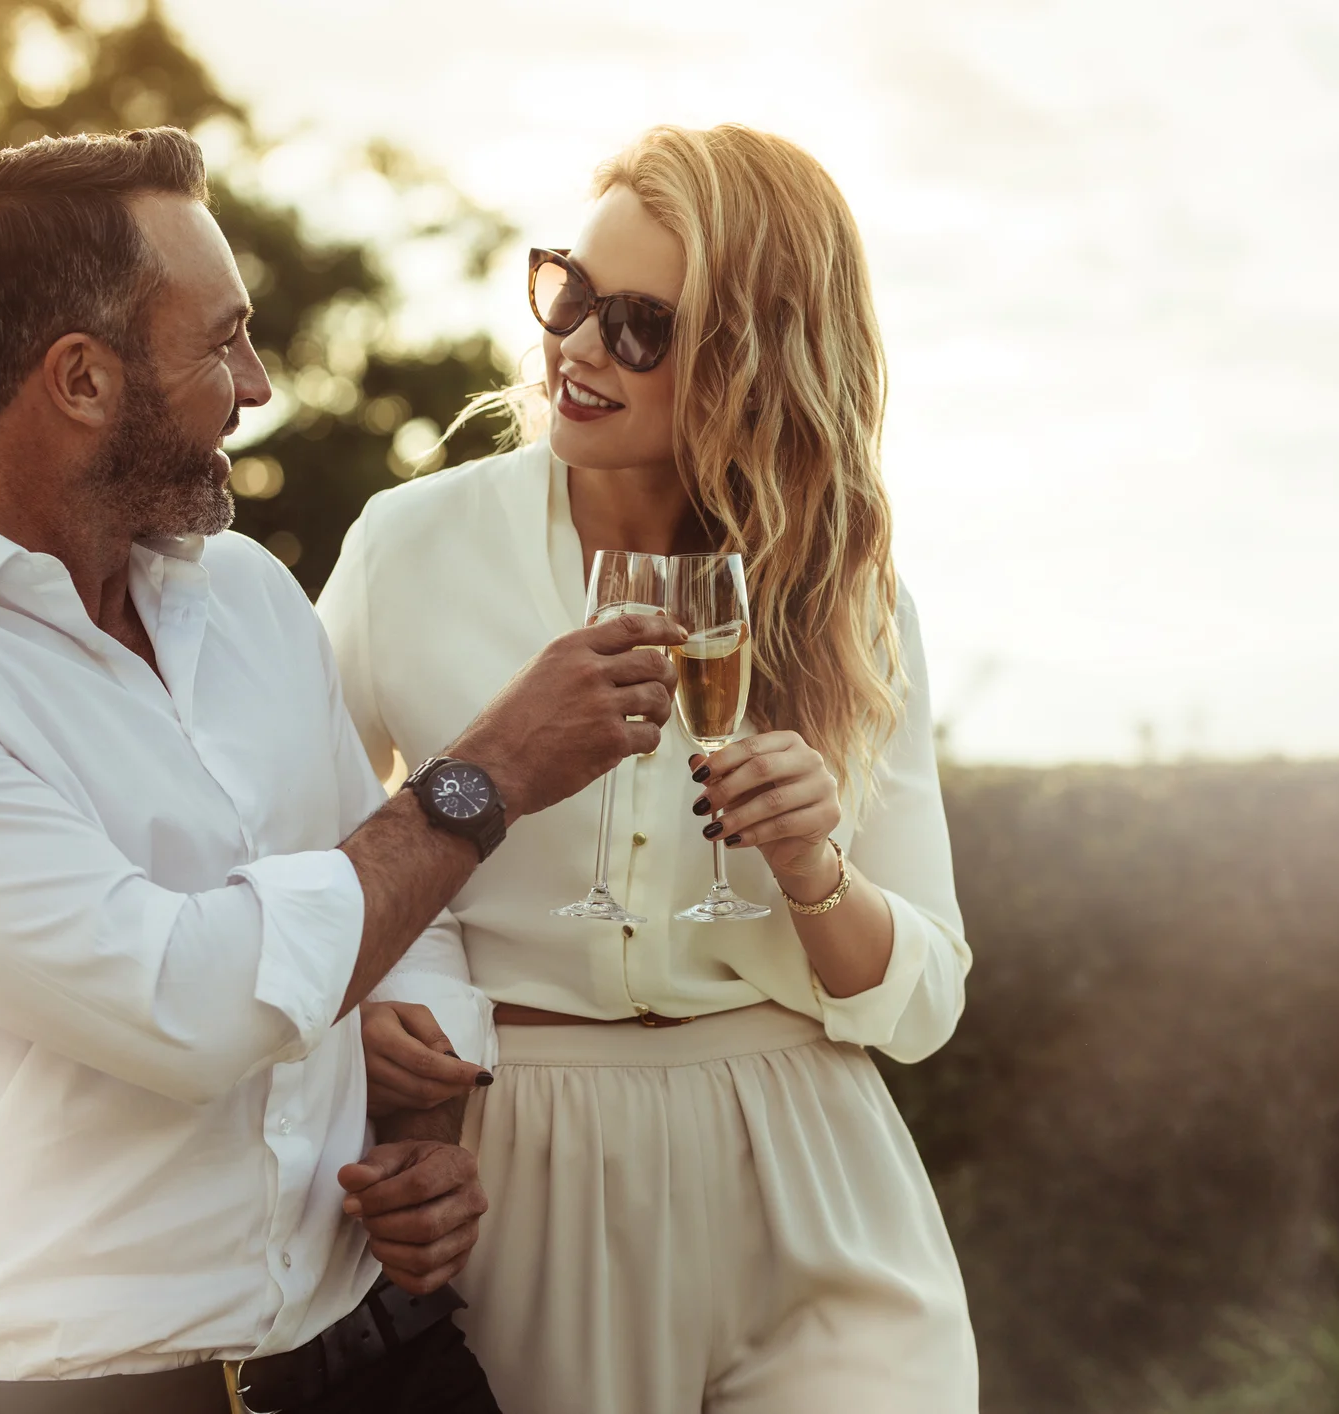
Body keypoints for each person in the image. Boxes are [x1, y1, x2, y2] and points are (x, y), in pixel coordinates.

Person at [0, 127, 684, 1413]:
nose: (256, 386)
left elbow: (375, 875)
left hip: (382, 1356)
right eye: (221, 342)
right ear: (81, 379)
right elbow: (185, 1005)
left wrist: (418, 1115)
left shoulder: (245, 593)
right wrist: (490, 771)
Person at [319, 123, 978, 1412]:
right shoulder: (412, 548)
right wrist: (386, 1037)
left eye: (640, 326)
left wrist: (814, 869)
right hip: (532, 1169)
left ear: (751, 362)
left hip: (813, 1166)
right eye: (569, 289)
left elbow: (923, 997)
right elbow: (303, 858)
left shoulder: (850, 598)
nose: (572, 344)